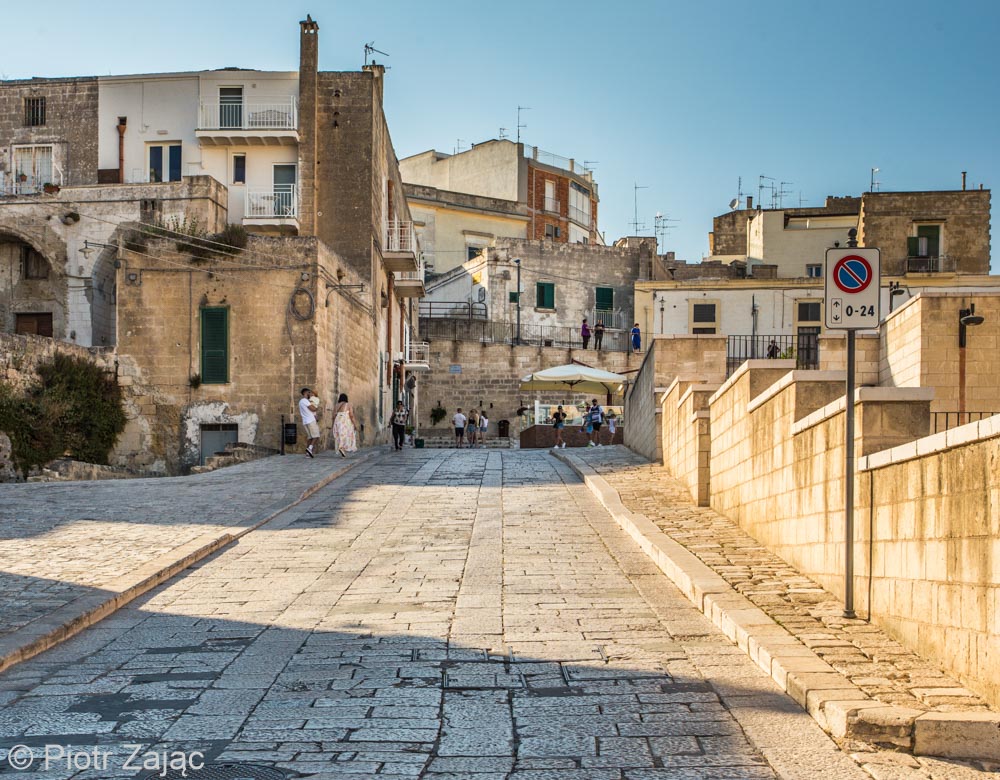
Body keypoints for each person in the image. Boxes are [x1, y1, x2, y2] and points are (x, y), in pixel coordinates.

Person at [333, 393, 358, 457]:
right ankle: (342, 447)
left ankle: (342, 449)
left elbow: (333, 416)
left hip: (337, 421)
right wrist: (355, 424)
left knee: (340, 435)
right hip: (345, 421)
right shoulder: (348, 405)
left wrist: (333, 424)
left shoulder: (336, 405)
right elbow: (351, 415)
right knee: (346, 435)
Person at [298, 387, 320, 458]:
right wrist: (317, 407)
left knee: (310, 437)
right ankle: (310, 449)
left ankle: (307, 454)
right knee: (316, 436)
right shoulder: (305, 400)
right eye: (309, 392)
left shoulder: (301, 401)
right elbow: (313, 409)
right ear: (305, 393)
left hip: (305, 421)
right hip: (310, 420)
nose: (310, 394)